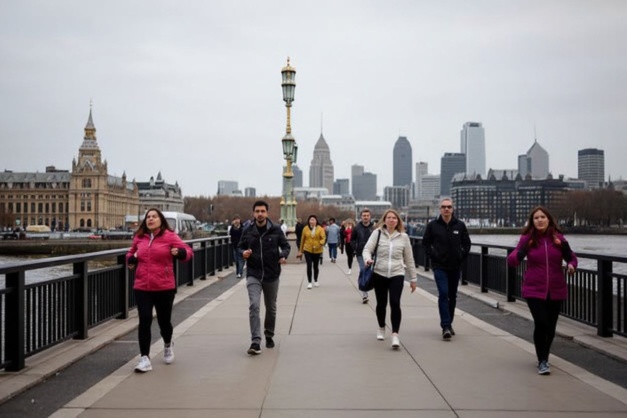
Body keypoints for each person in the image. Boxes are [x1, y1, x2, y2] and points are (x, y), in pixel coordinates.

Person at [507, 206, 577, 375]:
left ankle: (544, 356)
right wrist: (522, 250)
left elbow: (572, 258)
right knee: (541, 322)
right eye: (536, 218)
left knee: (551, 327)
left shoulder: (558, 239)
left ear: (549, 220)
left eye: (542, 217)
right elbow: (512, 261)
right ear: (532, 221)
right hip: (533, 289)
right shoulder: (527, 238)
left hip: (556, 288)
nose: (539, 220)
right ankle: (542, 360)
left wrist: (571, 265)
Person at [126, 208, 193, 373]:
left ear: (161, 220)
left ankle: (168, 344)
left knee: (164, 322)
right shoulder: (139, 237)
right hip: (142, 286)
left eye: (154, 217)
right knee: (145, 320)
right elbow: (130, 253)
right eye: (148, 217)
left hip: (164, 286)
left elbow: (189, 252)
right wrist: (130, 260)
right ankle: (144, 358)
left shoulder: (169, 236)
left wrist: (180, 252)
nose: (150, 219)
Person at [238, 200, 291, 355]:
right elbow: (240, 246)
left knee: (271, 308)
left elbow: (286, 246)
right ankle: (255, 341)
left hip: (272, 273)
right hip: (253, 273)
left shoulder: (275, 229)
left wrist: (283, 255)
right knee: (254, 305)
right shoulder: (247, 229)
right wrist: (243, 252)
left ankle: (269, 334)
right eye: (257, 211)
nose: (260, 214)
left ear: (267, 213)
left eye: (262, 211)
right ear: (253, 213)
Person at [363, 209, 417, 349]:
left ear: (398, 221)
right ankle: (381, 327)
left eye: (394, 218)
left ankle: (395, 335)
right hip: (379, 273)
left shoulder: (403, 237)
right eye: (389, 218)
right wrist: (368, 259)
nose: (391, 220)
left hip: (397, 273)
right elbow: (367, 249)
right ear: (384, 220)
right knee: (381, 303)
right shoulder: (378, 233)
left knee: (395, 302)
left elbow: (409, 259)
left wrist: (413, 279)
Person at [422, 198, 471, 340]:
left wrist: (461, 255)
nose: (446, 209)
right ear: (440, 209)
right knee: (443, 293)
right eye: (443, 207)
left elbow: (467, 244)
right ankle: (445, 326)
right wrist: (432, 257)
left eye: (449, 207)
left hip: (455, 266)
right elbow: (425, 243)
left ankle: (449, 323)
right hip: (439, 266)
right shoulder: (433, 225)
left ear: (453, 209)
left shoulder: (460, 225)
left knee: (452, 295)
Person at [351, 209, 375, 303]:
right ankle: (364, 294)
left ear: (370, 216)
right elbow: (352, 240)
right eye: (364, 215)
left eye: (367, 215)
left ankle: (364, 283)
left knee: (371, 272)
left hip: (372, 253)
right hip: (360, 253)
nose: (365, 217)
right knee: (363, 269)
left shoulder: (374, 228)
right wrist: (356, 248)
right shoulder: (357, 228)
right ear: (361, 217)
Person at [297, 214, 326, 289]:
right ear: (308, 221)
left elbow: (323, 237)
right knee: (309, 265)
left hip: (317, 250)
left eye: (313, 220)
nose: (312, 221)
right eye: (310, 220)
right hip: (307, 249)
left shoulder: (320, 229)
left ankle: (316, 280)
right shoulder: (305, 229)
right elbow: (302, 240)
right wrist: (300, 251)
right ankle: (309, 282)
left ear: (316, 221)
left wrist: (321, 243)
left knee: (315, 266)